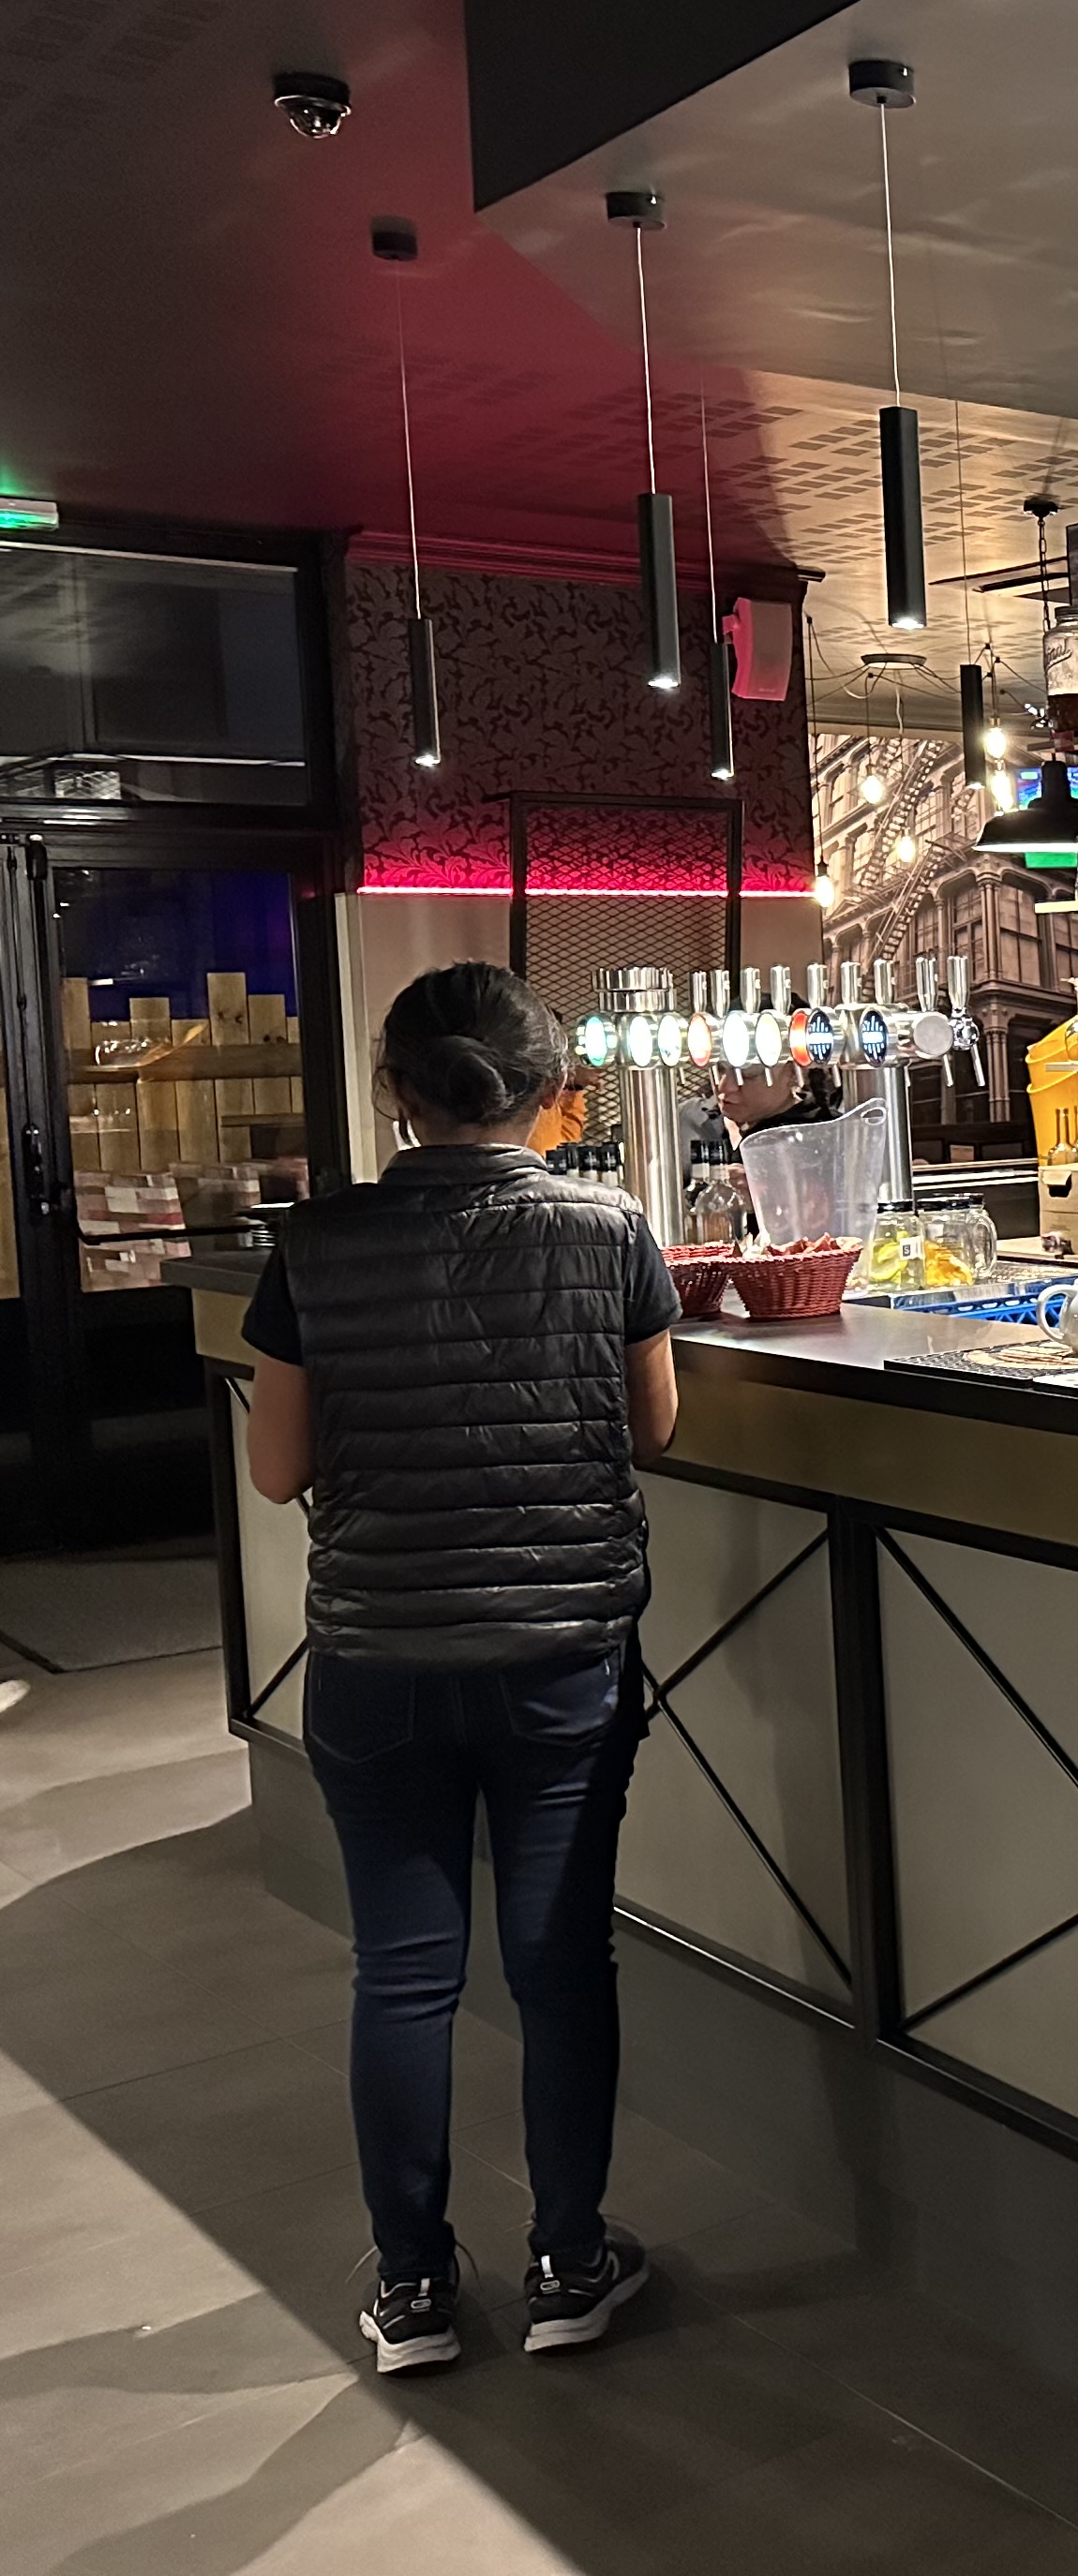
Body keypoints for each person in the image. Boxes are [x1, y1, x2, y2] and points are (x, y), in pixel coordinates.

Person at [241, 961, 679, 2378]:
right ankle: (570, 2265)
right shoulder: (611, 1228)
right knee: (559, 1966)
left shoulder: (316, 1243)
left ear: (395, 1094)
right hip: (560, 1658)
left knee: (403, 1974)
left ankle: (416, 2289)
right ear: (550, 1093)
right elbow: (654, 1429)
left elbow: (277, 1468)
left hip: (377, 1656)